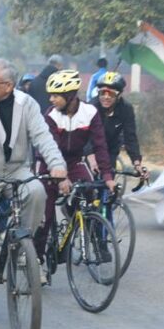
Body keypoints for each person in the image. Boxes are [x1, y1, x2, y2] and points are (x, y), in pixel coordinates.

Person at [0, 59, 69, 306]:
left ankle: (22, 247)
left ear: (9, 86)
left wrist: (57, 164)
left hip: (16, 170)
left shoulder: (26, 104)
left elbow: (43, 137)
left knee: (37, 191)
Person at [33, 70, 114, 260]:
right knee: (45, 215)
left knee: (89, 193)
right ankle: (37, 257)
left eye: (56, 95)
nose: (51, 99)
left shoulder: (90, 113)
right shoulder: (51, 115)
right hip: (48, 163)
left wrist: (108, 176)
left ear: (70, 96)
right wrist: (60, 177)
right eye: (50, 95)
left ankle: (78, 225)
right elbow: (50, 149)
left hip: (74, 161)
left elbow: (100, 145)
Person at [90, 71, 147, 180]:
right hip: (89, 150)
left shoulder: (126, 109)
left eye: (111, 94)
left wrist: (137, 163)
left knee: (108, 182)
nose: (106, 97)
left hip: (110, 149)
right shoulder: (91, 107)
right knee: (88, 184)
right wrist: (91, 158)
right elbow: (84, 136)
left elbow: (130, 137)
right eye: (102, 93)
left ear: (119, 95)